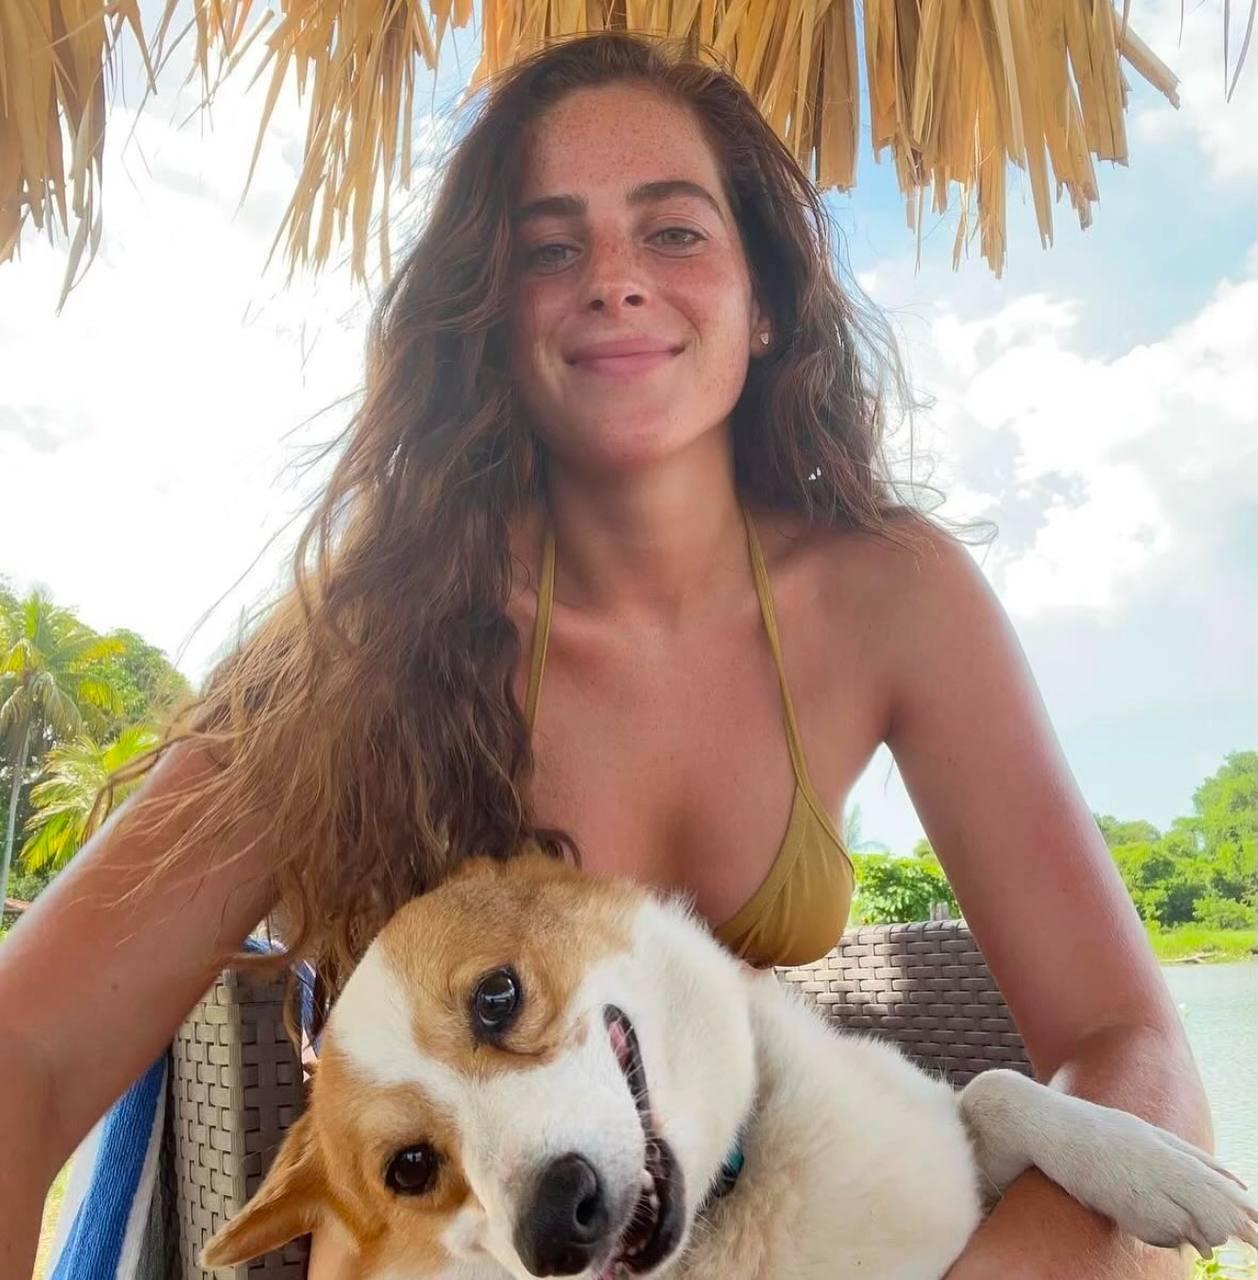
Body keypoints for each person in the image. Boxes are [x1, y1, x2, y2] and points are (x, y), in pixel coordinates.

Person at [0, 32, 1208, 1280]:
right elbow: (24, 1052)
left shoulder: (891, 596)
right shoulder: (358, 640)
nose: (615, 280)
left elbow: (1128, 1041)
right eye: (548, 248)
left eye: (673, 231)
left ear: (765, 299)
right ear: (487, 319)